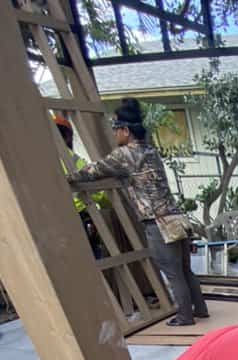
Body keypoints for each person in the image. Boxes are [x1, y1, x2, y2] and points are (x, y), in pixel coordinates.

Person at [66, 98, 207, 327]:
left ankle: (184, 316)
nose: (114, 134)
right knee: (183, 269)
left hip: (158, 222)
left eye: (116, 130)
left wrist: (66, 178)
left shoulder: (124, 155)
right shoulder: (150, 150)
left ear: (125, 130)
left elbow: (94, 170)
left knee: (172, 273)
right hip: (176, 217)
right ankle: (200, 309)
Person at [54, 114, 109, 258]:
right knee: (93, 262)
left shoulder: (39, 160)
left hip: (54, 222)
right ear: (67, 136)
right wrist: (109, 204)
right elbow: (97, 192)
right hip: (80, 218)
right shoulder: (75, 160)